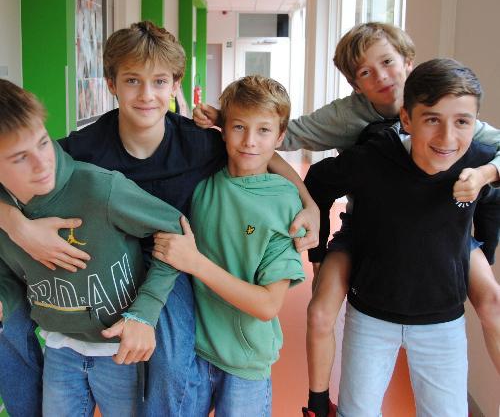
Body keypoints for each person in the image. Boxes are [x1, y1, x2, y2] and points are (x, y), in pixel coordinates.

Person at [0, 22, 319, 417]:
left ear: (175, 85)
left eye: (159, 81)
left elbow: (257, 152)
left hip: (169, 264)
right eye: (132, 81)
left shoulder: (198, 143)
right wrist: (16, 224)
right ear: (112, 84)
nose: (147, 95)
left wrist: (308, 201)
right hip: (109, 262)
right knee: (10, 316)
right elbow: (14, 165)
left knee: (170, 360)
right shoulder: (86, 146)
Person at [194, 22, 500, 416]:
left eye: (387, 62)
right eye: (366, 73)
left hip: (442, 228)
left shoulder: (450, 107)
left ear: (408, 61)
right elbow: (283, 134)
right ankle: (318, 403)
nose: (382, 77)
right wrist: (228, 120)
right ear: (357, 86)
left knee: (490, 299)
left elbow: (491, 188)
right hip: (366, 225)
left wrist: (486, 202)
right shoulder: (353, 122)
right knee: (321, 309)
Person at [304, 59, 500, 416]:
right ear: (406, 120)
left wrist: (486, 250)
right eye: (432, 120)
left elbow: (492, 200)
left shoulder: (478, 163)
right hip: (371, 318)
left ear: (475, 123)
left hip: (442, 323)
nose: (447, 138)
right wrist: (317, 250)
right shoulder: (371, 159)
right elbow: (318, 181)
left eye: (462, 122)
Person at [0, 79, 186, 416]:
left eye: (43, 143)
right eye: (19, 158)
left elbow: (175, 229)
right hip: (60, 349)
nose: (42, 164)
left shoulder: (100, 189)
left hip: (120, 350)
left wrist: (145, 311)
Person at [153, 75, 306, 415]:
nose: (250, 141)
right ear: (223, 129)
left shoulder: (284, 205)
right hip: (192, 352)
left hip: (244, 362)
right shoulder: (202, 181)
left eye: (264, 131)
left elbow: (268, 305)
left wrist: (195, 263)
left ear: (280, 136)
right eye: (239, 127)